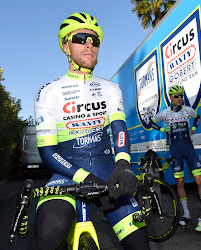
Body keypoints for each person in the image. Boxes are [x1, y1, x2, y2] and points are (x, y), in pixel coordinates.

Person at [34, 12, 151, 249]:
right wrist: (86, 178)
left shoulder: (110, 88)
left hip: (108, 169)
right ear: (66, 47)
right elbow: (47, 152)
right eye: (81, 38)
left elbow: (119, 129)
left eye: (95, 40)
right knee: (49, 233)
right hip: (65, 174)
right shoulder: (48, 92)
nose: (90, 44)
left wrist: (123, 165)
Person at [149, 85, 201, 234]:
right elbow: (151, 122)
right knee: (180, 182)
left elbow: (197, 117)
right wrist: (163, 130)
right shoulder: (165, 113)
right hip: (175, 151)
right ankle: (186, 213)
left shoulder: (188, 110)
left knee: (200, 180)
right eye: (176, 96)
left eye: (181, 95)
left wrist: (193, 130)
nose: (179, 98)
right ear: (170, 97)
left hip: (189, 149)